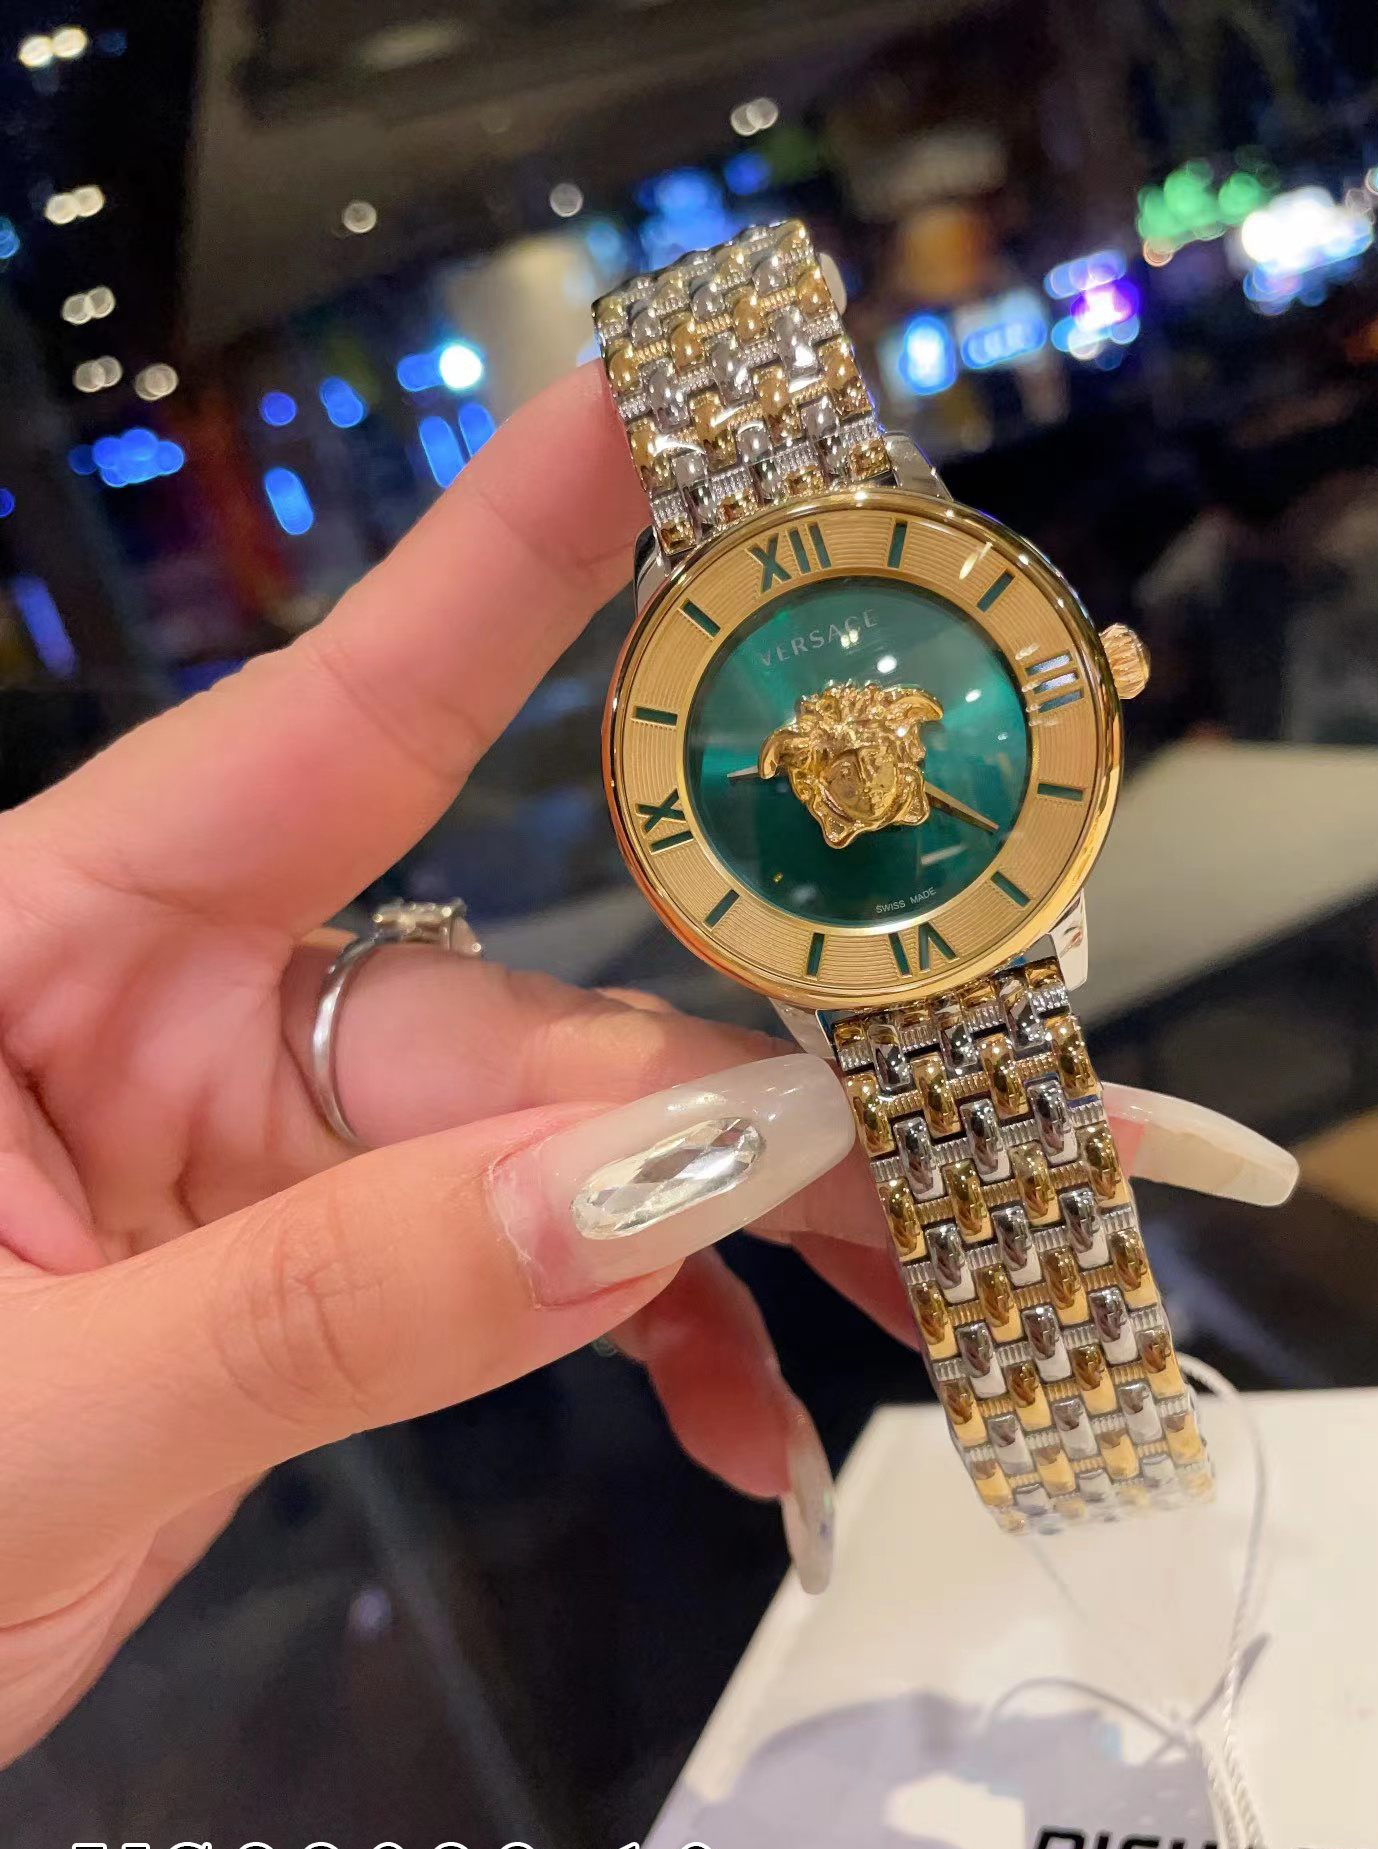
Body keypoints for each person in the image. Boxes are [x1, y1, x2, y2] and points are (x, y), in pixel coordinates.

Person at [0, 367, 1294, 1768]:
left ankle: (1126, 1511)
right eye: (820, 763)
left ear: (1092, 671)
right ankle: (1113, 1504)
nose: (851, 776)